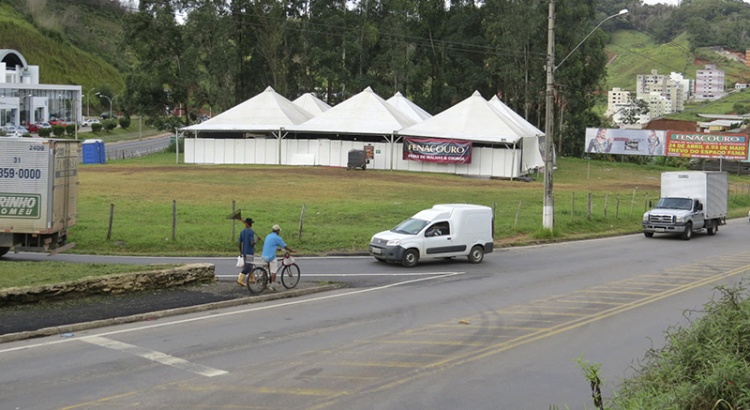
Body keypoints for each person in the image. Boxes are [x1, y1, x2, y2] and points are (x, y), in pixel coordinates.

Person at [236, 218, 258, 286]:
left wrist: (240, 251)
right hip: (250, 252)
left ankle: (252, 278)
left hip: (244, 252)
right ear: (250, 224)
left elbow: (239, 242)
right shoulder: (251, 232)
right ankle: (240, 279)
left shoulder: (242, 232)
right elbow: (251, 243)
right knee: (248, 267)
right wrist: (257, 240)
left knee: (249, 266)